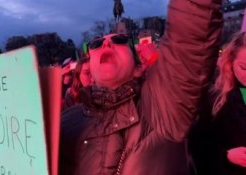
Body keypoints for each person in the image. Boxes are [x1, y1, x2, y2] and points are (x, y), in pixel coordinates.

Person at [59, 0, 223, 174]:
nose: (106, 44)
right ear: (89, 70)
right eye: (96, 44)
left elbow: (190, 36)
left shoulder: (161, 105)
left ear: (138, 68)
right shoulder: (66, 121)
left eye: (119, 40)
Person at [189, 32, 246, 175]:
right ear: (231, 62)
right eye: (244, 68)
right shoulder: (214, 100)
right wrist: (225, 156)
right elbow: (198, 147)